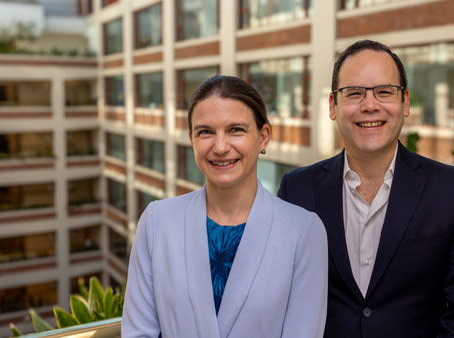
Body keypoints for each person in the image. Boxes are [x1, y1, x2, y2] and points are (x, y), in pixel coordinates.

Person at [277, 40, 454, 337]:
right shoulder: (296, 189)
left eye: (384, 92)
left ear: (405, 103)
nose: (370, 105)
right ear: (333, 106)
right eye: (354, 93)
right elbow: (282, 301)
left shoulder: (453, 191)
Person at [122, 75, 328, 338]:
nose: (220, 147)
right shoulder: (156, 222)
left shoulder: (304, 231)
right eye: (206, 132)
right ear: (192, 139)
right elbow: (138, 332)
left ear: (263, 137)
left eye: (236, 130)